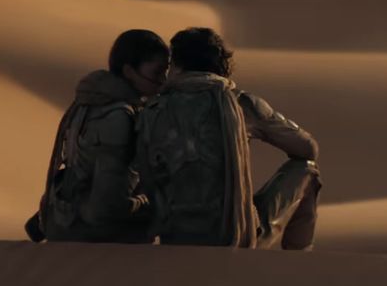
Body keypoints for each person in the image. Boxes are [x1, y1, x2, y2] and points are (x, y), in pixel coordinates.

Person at [135, 27, 321, 250]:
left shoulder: (151, 110)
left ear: (176, 65)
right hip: (237, 236)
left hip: (173, 236)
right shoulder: (241, 104)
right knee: (307, 170)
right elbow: (308, 149)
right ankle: (298, 265)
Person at [27, 29, 170, 243]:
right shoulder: (119, 116)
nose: (164, 80)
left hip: (63, 225)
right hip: (94, 238)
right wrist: (152, 203)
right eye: (157, 72)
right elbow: (106, 207)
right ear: (129, 71)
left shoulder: (86, 104)